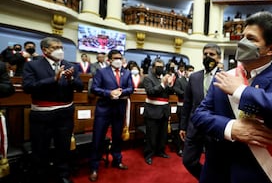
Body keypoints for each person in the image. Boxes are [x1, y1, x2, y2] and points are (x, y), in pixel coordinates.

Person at [192, 12, 272, 183]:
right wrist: (230, 128)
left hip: (260, 174)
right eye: (242, 36)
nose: (242, 42)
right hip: (218, 171)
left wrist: (241, 91)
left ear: (271, 49)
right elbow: (199, 116)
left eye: (251, 38)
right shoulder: (224, 77)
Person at [22, 37, 84, 183]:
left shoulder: (70, 65)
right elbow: (28, 87)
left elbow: (81, 87)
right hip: (42, 116)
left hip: (65, 115)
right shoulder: (33, 66)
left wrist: (71, 80)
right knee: (40, 148)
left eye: (61, 47)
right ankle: (42, 176)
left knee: (63, 147)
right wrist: (53, 79)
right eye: (55, 47)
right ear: (44, 50)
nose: (60, 50)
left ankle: (63, 175)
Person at [89, 49, 133, 182]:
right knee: (98, 138)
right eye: (115, 58)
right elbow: (94, 89)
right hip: (104, 110)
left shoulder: (127, 72)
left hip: (119, 109)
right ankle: (94, 167)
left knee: (117, 137)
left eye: (120, 57)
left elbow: (130, 88)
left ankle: (117, 160)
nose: (118, 60)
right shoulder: (101, 72)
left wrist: (120, 92)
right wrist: (109, 93)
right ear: (109, 60)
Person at [179, 43, 222, 179]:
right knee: (188, 161)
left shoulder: (225, 77)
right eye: (206, 54)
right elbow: (187, 104)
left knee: (214, 163)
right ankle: (205, 179)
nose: (208, 57)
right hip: (195, 126)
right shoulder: (194, 77)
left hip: (215, 127)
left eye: (212, 54)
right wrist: (183, 126)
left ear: (219, 58)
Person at [142, 58, 175, 165]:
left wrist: (170, 84)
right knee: (151, 134)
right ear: (153, 68)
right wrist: (163, 84)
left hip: (164, 110)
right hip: (152, 110)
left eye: (162, 67)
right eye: (158, 67)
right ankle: (149, 154)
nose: (160, 69)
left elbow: (170, 92)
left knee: (163, 134)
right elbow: (151, 92)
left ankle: (160, 151)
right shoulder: (147, 78)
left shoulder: (164, 77)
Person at [173, 64, 194, 156]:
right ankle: (180, 148)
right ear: (185, 71)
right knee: (182, 127)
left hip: (192, 108)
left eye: (192, 70)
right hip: (182, 107)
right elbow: (176, 90)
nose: (191, 72)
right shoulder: (179, 80)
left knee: (191, 128)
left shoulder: (194, 81)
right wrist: (188, 95)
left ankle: (189, 147)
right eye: (189, 70)